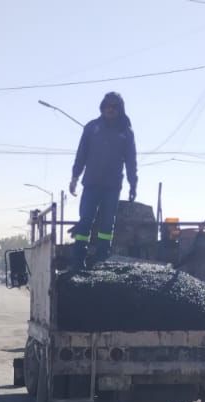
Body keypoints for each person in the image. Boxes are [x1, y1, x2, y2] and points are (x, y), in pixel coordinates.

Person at [68, 91, 137, 269]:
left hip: (112, 187)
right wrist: (75, 177)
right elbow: (81, 154)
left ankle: (101, 259)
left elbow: (131, 160)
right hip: (91, 184)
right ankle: (78, 258)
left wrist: (133, 184)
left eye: (114, 107)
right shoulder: (92, 128)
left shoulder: (126, 133)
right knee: (85, 221)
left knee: (107, 225)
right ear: (102, 107)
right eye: (107, 106)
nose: (110, 109)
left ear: (120, 109)